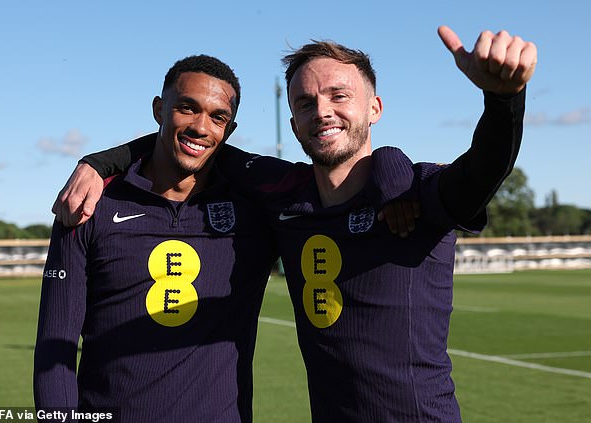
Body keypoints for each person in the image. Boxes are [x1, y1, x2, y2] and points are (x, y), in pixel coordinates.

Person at [52, 26, 537, 422]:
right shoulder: (283, 196)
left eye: (338, 95)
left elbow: (481, 172)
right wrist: (102, 161)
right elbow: (193, 138)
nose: (321, 110)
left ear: (375, 108)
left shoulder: (415, 194)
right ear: (294, 119)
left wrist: (504, 100)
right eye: (305, 103)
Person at [33, 55, 280, 422]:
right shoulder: (89, 206)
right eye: (186, 108)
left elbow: (334, 183)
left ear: (229, 130)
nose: (201, 126)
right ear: (158, 109)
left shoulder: (255, 212)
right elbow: (55, 351)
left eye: (217, 117)